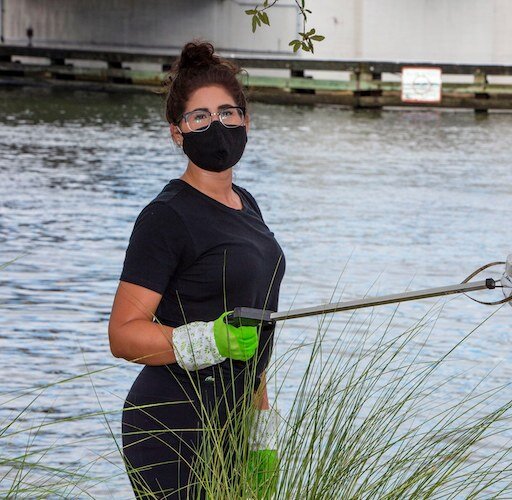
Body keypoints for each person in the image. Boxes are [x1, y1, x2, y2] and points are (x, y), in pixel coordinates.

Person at [108, 39, 285, 499]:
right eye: (200, 117)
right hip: (171, 423)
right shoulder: (166, 217)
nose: (217, 125)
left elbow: (256, 331)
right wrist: (208, 339)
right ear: (177, 132)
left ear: (246, 120)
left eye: (228, 112)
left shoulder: (247, 205)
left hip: (232, 426)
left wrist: (261, 431)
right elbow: (123, 335)